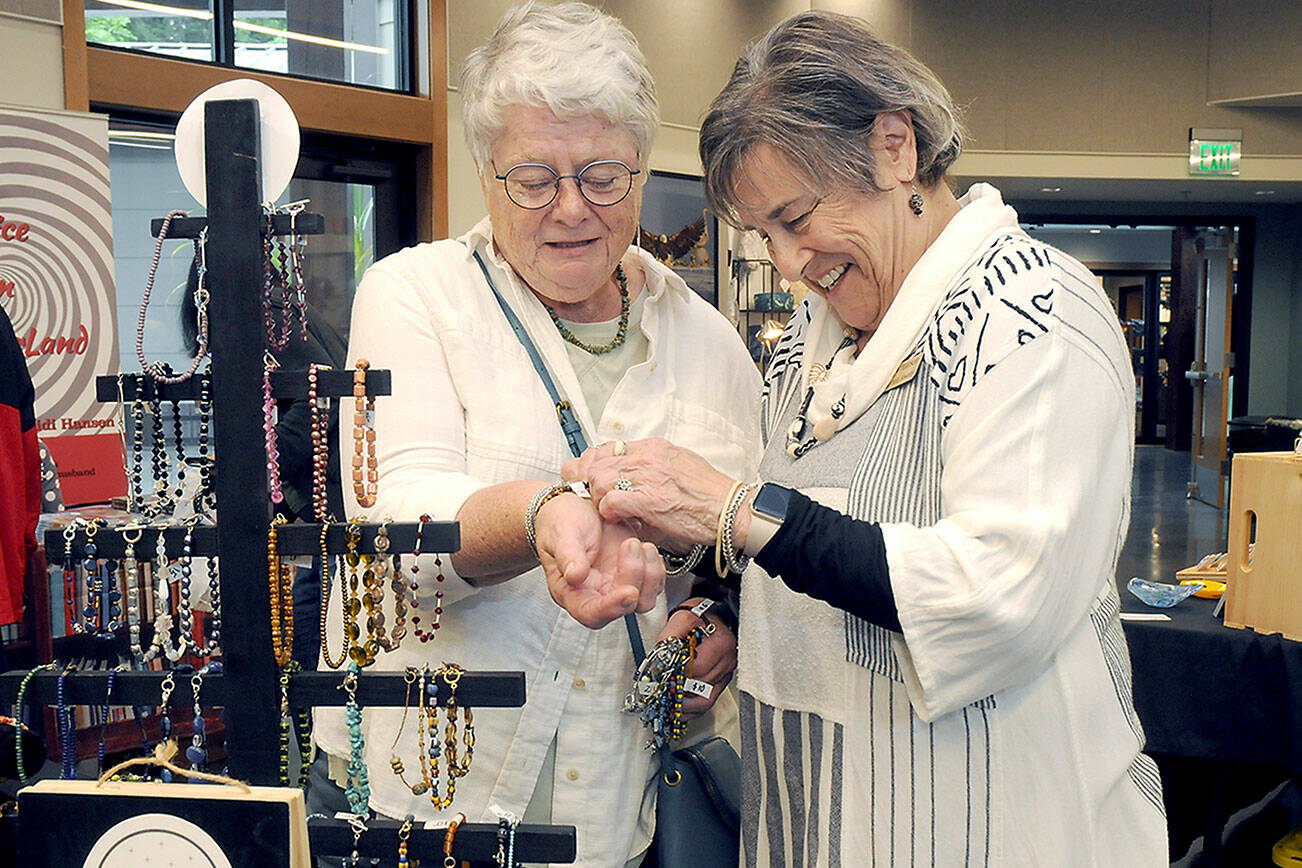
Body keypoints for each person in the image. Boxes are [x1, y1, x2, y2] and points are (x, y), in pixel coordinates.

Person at [554, 11, 1168, 866]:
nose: (789, 260)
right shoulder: (813, 344)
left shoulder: (1032, 314)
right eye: (764, 235)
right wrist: (718, 611)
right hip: (819, 819)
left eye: (796, 217)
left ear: (894, 147)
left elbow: (996, 594)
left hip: (996, 829)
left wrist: (733, 511)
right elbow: (812, 544)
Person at [311, 3, 761, 865]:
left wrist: (712, 619)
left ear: (639, 170)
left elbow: (732, 552)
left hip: (613, 814)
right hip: (418, 803)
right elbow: (395, 518)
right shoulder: (415, 298)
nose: (571, 210)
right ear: (487, 172)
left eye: (603, 176)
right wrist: (541, 516)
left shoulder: (712, 347)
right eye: (533, 178)